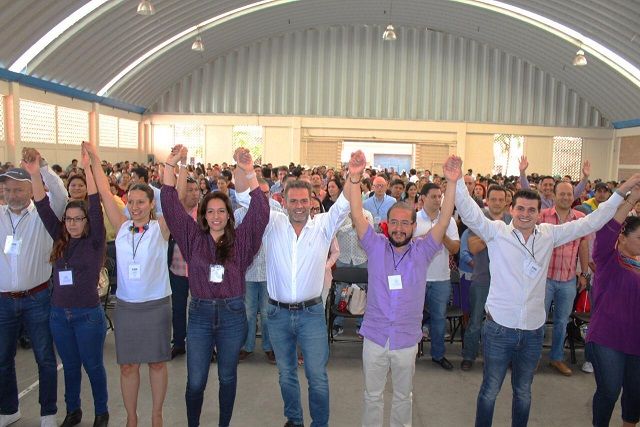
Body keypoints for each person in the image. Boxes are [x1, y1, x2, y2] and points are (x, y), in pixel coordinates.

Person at [450, 154, 640, 427]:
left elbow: (592, 221)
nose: (525, 215)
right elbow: (468, 211)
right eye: (520, 209)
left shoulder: (549, 235)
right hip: (498, 329)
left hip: (532, 331)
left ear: (540, 213)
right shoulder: (496, 232)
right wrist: (455, 182)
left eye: (531, 210)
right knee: (489, 391)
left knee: (524, 392)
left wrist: (622, 192)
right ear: (511, 210)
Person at [235, 151, 363, 427]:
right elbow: (246, 198)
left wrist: (354, 176)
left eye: (304, 201)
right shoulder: (273, 222)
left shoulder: (323, 226)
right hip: (277, 315)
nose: (299, 206)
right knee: (286, 374)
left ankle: (319, 423)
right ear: (284, 201)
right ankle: (294, 419)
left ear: (312, 202)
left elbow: (343, 204)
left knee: (317, 376)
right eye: (293, 200)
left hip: (312, 314)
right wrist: (246, 169)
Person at [343, 153, 457, 426]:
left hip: (406, 339)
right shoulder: (375, 245)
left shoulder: (423, 250)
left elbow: (443, 221)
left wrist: (451, 183)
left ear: (414, 226)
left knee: (403, 396)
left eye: (406, 223)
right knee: (372, 396)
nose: (399, 227)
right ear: (387, 224)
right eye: (394, 222)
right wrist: (356, 177)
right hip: (374, 336)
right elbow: (357, 214)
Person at [161, 145, 269, 427]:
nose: (217, 216)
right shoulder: (192, 238)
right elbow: (170, 204)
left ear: (229, 214)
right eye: (211, 211)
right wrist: (171, 164)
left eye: (222, 210)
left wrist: (248, 172)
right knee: (195, 381)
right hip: (199, 315)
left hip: (233, 315)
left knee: (227, 377)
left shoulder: (242, 241)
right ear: (204, 215)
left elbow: (260, 213)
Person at [86, 141, 172, 427]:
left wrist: (171, 163)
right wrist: (96, 162)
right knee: (128, 366)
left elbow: (173, 197)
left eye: (141, 203)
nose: (134, 207)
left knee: (157, 363)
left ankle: (156, 414)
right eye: (131, 202)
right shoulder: (122, 226)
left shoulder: (161, 228)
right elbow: (104, 192)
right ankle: (132, 418)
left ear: (151, 205)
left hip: (156, 305)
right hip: (126, 307)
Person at [25, 147, 109, 427]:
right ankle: (73, 410)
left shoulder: (95, 240)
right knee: (70, 368)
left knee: (94, 367)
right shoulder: (59, 235)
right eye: (69, 219)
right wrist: (35, 173)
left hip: (88, 316)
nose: (72, 223)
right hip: (59, 315)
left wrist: (88, 168)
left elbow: (95, 201)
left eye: (78, 219)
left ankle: (101, 412)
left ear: (87, 221)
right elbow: (41, 204)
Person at [0, 148, 66, 427]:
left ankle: (47, 413)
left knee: (45, 358)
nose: (12, 195)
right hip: (3, 301)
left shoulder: (44, 214)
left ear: (30, 189)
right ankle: (8, 409)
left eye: (17, 190)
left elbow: (61, 194)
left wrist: (40, 168)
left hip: (38, 296)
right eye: (7, 190)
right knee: (3, 360)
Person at [587, 189, 640, 427]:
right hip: (607, 338)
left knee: (635, 394)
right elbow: (607, 230)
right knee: (609, 390)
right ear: (622, 237)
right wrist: (631, 198)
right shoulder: (609, 259)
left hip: (636, 340)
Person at [540, 181, 590, 376]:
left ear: (574, 196)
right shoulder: (542, 217)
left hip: (568, 280)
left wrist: (584, 273)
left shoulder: (580, 219)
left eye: (569, 194)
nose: (566, 198)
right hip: (544, 279)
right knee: (539, 319)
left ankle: (556, 358)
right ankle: (533, 357)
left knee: (562, 321)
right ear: (554, 195)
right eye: (562, 194)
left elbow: (583, 247)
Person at [460, 185, 511, 371]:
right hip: (482, 279)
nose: (497, 203)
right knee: (475, 321)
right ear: (487, 201)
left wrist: (488, 237)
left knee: (504, 322)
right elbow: (473, 248)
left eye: (501, 199)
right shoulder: (479, 220)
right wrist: (499, 234)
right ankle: (469, 355)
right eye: (494, 199)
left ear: (506, 201)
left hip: (506, 282)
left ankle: (500, 358)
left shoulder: (512, 220)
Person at [235, 179, 285, 364]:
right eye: (259, 193)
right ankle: (246, 346)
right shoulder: (240, 213)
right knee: (247, 312)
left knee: (267, 312)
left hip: (269, 271)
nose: (262, 196)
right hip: (248, 271)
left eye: (265, 193)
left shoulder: (277, 211)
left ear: (270, 194)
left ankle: (269, 347)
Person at [415, 183, 460, 370]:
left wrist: (440, 235)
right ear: (423, 198)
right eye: (433, 196)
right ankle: (411, 352)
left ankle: (438, 355)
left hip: (441, 277)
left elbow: (455, 248)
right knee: (413, 317)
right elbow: (405, 247)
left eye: (439, 196)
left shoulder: (447, 221)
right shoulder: (414, 219)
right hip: (418, 278)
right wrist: (424, 239)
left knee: (439, 318)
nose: (437, 199)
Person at [168, 172, 201, 359]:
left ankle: (200, 344)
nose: (195, 194)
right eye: (190, 190)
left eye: (197, 190)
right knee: (178, 307)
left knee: (199, 309)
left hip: (199, 270)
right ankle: (179, 342)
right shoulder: (175, 214)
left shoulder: (205, 213)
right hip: (177, 267)